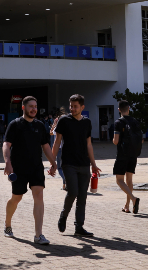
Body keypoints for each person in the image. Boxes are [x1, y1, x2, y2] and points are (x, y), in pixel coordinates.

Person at [3, 96, 57, 244]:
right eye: (30, 106)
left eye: (35, 106)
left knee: (39, 196)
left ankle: (38, 235)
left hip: (36, 167)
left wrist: (53, 162)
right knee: (17, 198)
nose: (34, 109)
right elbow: (6, 145)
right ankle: (7, 225)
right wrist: (8, 163)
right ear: (23, 108)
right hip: (18, 168)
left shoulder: (40, 126)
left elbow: (45, 146)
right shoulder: (15, 124)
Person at [52, 94, 101, 237]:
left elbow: (89, 145)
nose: (72, 109)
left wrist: (94, 164)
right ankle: (64, 215)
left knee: (82, 196)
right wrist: (53, 162)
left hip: (84, 163)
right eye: (71, 106)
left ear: (82, 107)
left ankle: (79, 227)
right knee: (72, 192)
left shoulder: (87, 122)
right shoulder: (64, 121)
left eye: (75, 106)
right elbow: (56, 143)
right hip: (68, 163)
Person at [113, 100, 143, 214]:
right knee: (129, 180)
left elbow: (116, 141)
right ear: (129, 108)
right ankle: (127, 206)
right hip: (133, 154)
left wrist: (113, 140)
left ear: (119, 109)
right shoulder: (135, 121)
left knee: (119, 180)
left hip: (122, 154)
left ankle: (134, 199)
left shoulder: (118, 122)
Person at [50, 112, 67, 191]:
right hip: (67, 150)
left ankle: (66, 181)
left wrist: (54, 123)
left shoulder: (57, 128)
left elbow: (51, 132)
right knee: (66, 168)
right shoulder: (69, 127)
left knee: (60, 168)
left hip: (59, 150)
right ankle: (65, 185)